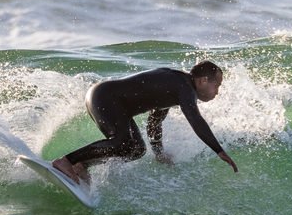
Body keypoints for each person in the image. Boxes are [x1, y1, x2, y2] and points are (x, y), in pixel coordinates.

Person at [52, 61, 238, 185]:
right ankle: (65, 160)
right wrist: (219, 150)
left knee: (136, 149)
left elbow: (154, 121)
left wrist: (158, 152)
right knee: (119, 140)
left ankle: (81, 165)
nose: (217, 92)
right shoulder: (185, 88)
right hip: (105, 96)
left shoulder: (175, 87)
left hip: (111, 101)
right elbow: (195, 119)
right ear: (203, 81)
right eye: (216, 85)